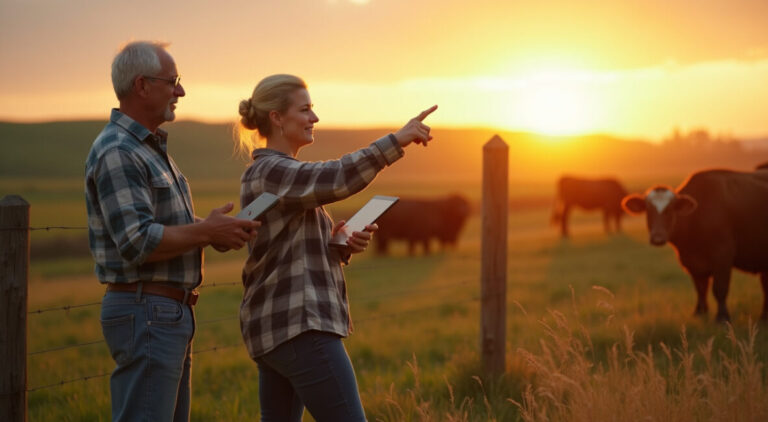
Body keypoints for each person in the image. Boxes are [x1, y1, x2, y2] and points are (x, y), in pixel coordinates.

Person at [235, 73, 437, 421]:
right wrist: (396, 141)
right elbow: (337, 177)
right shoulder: (270, 171)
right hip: (300, 325)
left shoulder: (283, 175)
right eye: (305, 109)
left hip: (279, 327)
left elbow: (285, 247)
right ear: (277, 118)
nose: (314, 118)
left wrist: (339, 244)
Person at [85, 41, 259, 422]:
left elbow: (157, 226)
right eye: (173, 81)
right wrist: (205, 232)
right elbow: (137, 241)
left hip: (163, 312)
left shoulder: (147, 149)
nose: (180, 91)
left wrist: (210, 229)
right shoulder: (119, 150)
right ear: (142, 85)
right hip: (146, 309)